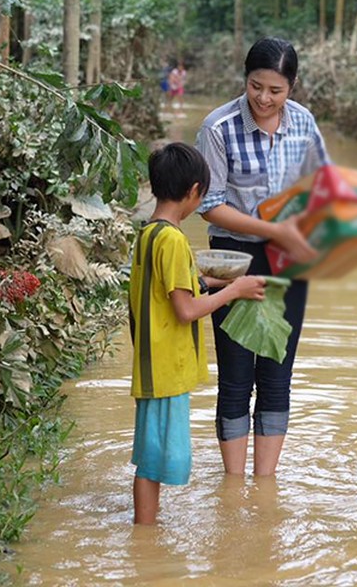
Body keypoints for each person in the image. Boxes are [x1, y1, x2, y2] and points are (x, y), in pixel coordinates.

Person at [195, 36, 331, 477]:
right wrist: (271, 228)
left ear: (292, 86)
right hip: (233, 258)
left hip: (290, 259)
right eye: (257, 86)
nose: (264, 98)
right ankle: (234, 485)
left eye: (276, 90)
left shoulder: (304, 123)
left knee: (277, 370)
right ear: (245, 79)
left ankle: (264, 483)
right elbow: (210, 203)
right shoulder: (218, 127)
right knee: (236, 374)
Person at [128, 142, 266, 524]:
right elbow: (185, 309)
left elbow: (172, 288)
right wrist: (234, 291)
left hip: (151, 362)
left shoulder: (150, 234)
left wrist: (211, 280)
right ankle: (145, 533)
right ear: (193, 192)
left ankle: (145, 531)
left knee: (149, 455)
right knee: (154, 461)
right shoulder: (172, 240)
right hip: (165, 367)